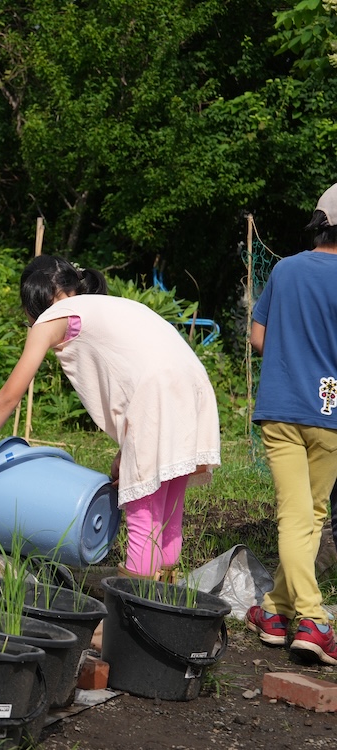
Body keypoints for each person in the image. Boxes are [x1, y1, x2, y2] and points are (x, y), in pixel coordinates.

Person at [0, 255, 221, 580]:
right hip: (192, 384)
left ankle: (129, 619)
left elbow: (10, 394)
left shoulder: (52, 317)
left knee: (142, 511)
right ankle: (165, 604)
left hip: (156, 395)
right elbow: (144, 369)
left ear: (32, 301)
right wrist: (125, 451)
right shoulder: (109, 306)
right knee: (168, 509)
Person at [245, 183, 337, 665]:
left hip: (280, 407)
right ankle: (316, 621)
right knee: (310, 515)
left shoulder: (285, 268)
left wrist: (293, 354)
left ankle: (276, 612)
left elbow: (258, 336)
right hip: (331, 412)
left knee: (299, 516)